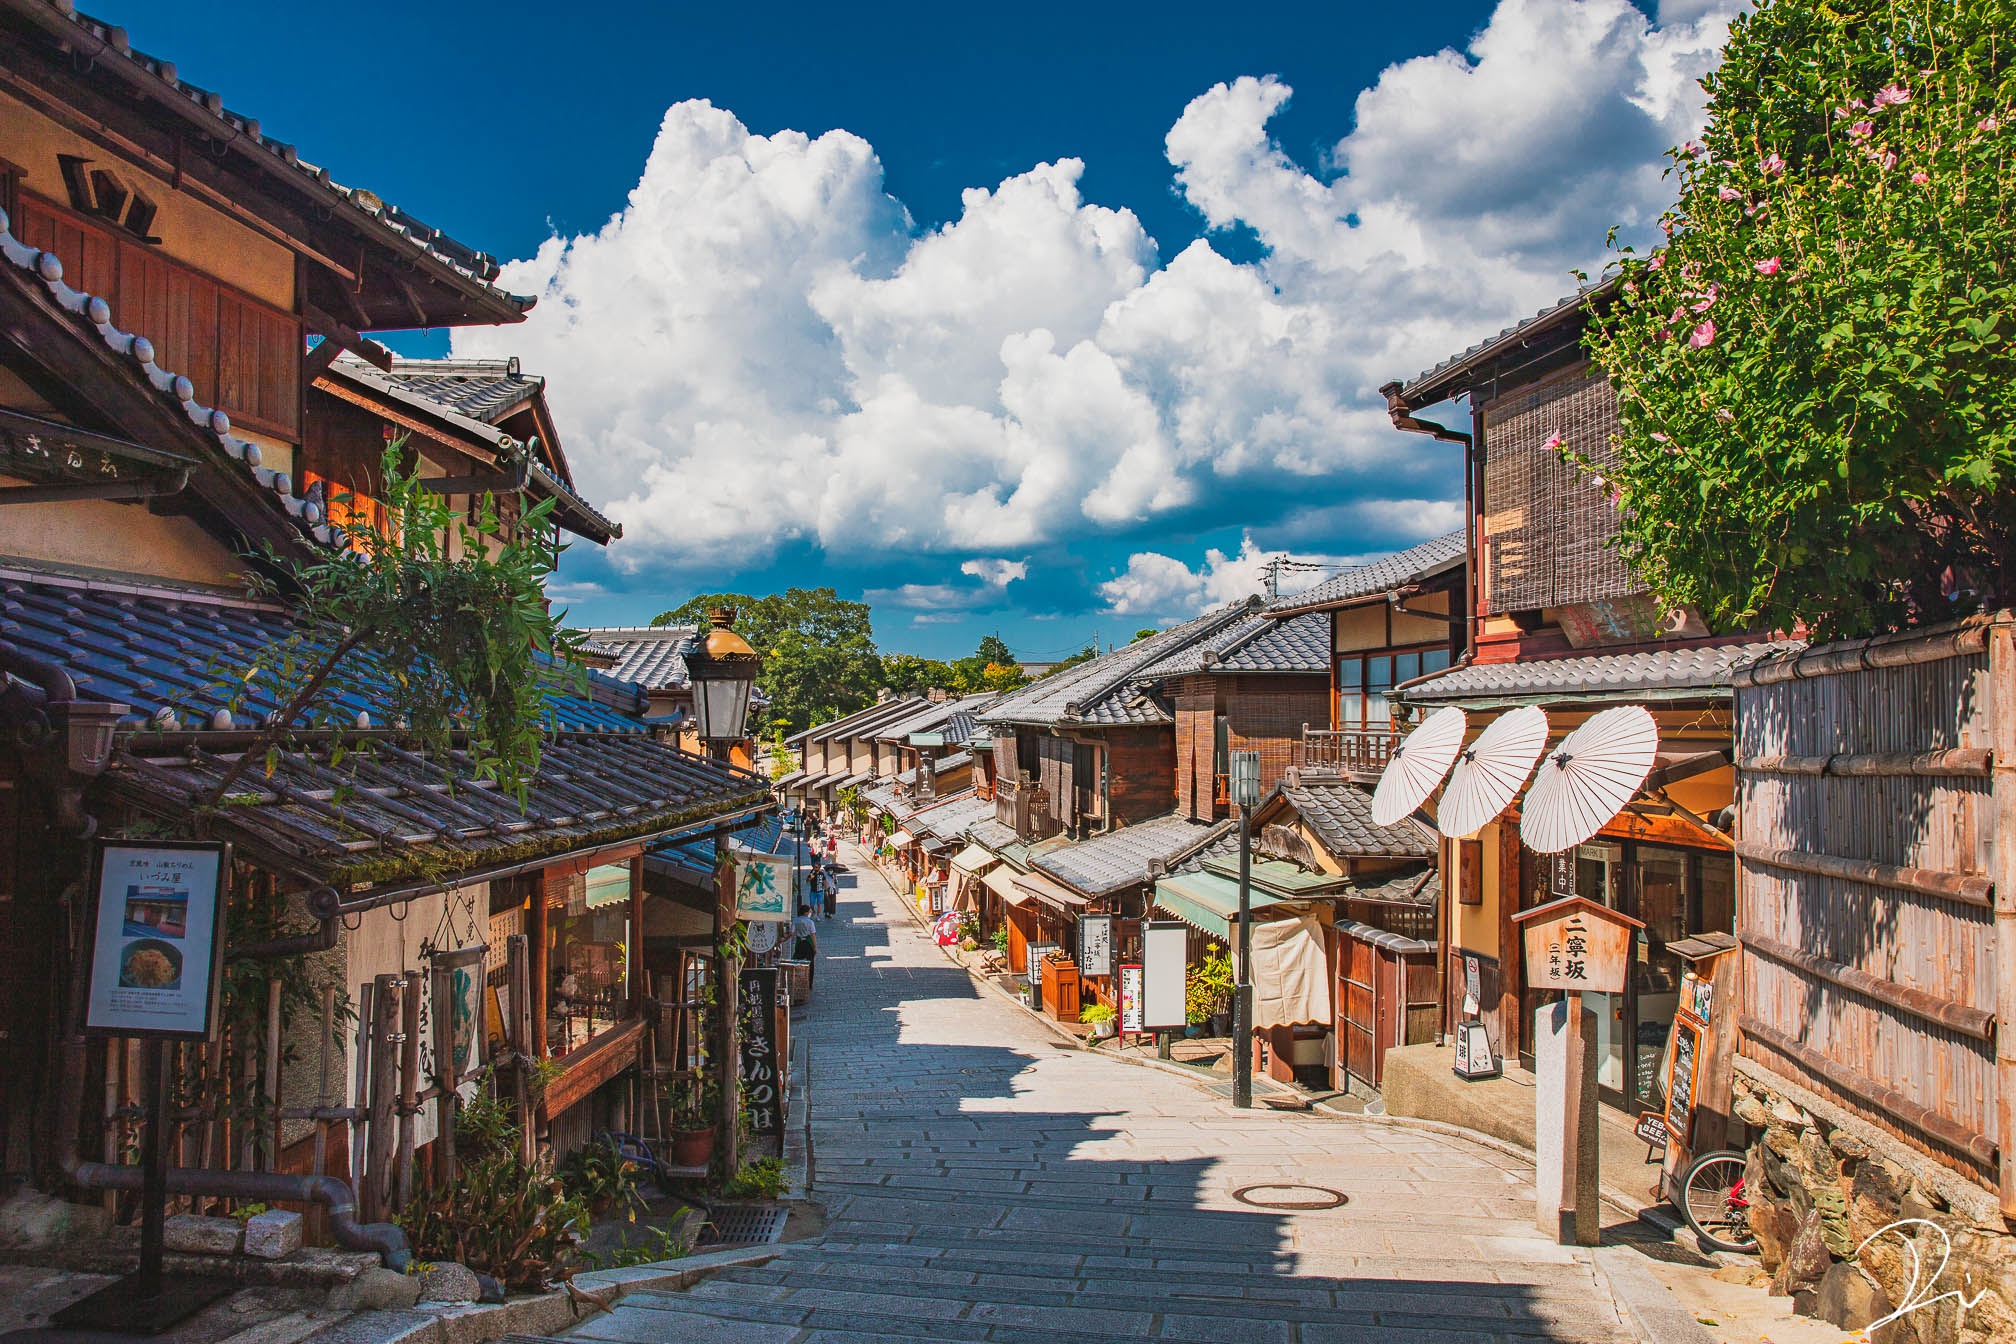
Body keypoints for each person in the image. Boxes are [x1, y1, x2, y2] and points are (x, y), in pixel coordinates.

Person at [791, 904, 818, 987]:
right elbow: (813, 935)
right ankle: (809, 982)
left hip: (799, 943)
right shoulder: (810, 922)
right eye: (809, 911)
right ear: (806, 912)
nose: (810, 913)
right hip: (808, 943)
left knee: (797, 961)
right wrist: (815, 947)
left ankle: (797, 980)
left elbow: (792, 933)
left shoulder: (796, 920)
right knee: (810, 963)